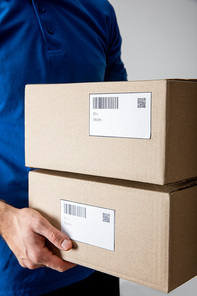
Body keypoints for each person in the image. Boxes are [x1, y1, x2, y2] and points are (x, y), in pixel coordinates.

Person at [0, 0, 127, 295]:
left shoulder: (99, 10)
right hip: (15, 271)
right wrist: (5, 218)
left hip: (101, 255)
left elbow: (119, 126)